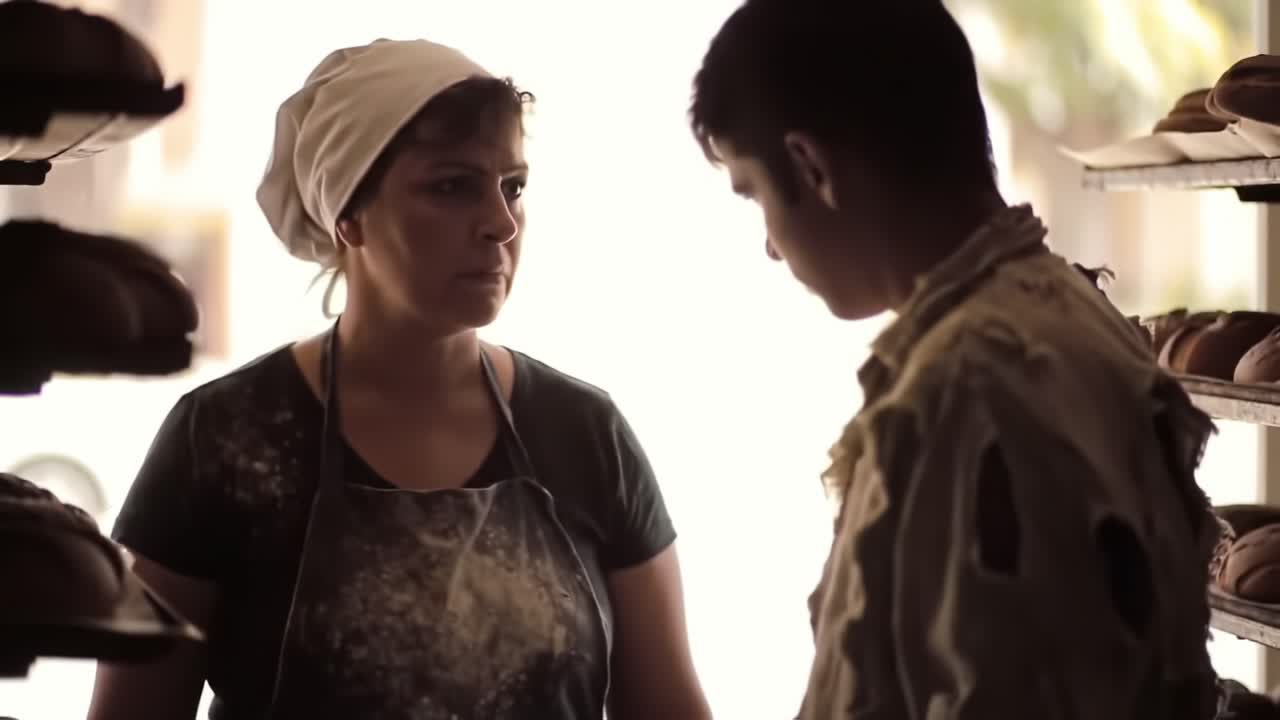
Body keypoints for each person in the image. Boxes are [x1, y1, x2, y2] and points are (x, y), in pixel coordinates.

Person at [87, 38, 711, 720]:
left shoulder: (587, 434)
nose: (501, 223)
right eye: (452, 186)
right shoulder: (225, 440)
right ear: (347, 214)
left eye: (514, 186)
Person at [689, 2, 1224, 719]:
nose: (771, 246)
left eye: (754, 194)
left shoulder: (966, 383)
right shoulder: (1078, 315)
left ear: (810, 167)